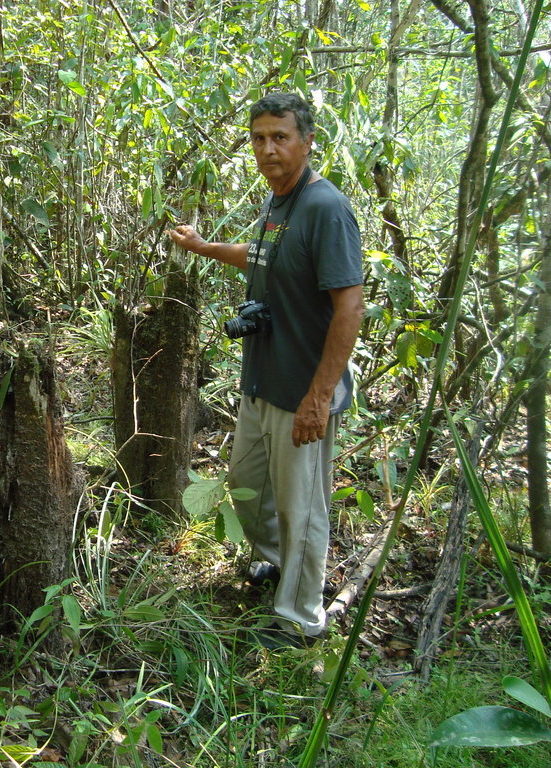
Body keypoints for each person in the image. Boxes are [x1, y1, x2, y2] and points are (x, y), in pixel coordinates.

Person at [169, 93, 365, 649]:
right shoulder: (278, 205)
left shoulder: (325, 208)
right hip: (261, 382)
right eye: (259, 138)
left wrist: (320, 397)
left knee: (303, 508)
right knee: (247, 486)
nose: (268, 148)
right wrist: (204, 247)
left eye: (280, 137)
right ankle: (273, 562)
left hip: (303, 390)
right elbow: (260, 257)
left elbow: (350, 306)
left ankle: (301, 618)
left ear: (305, 141)